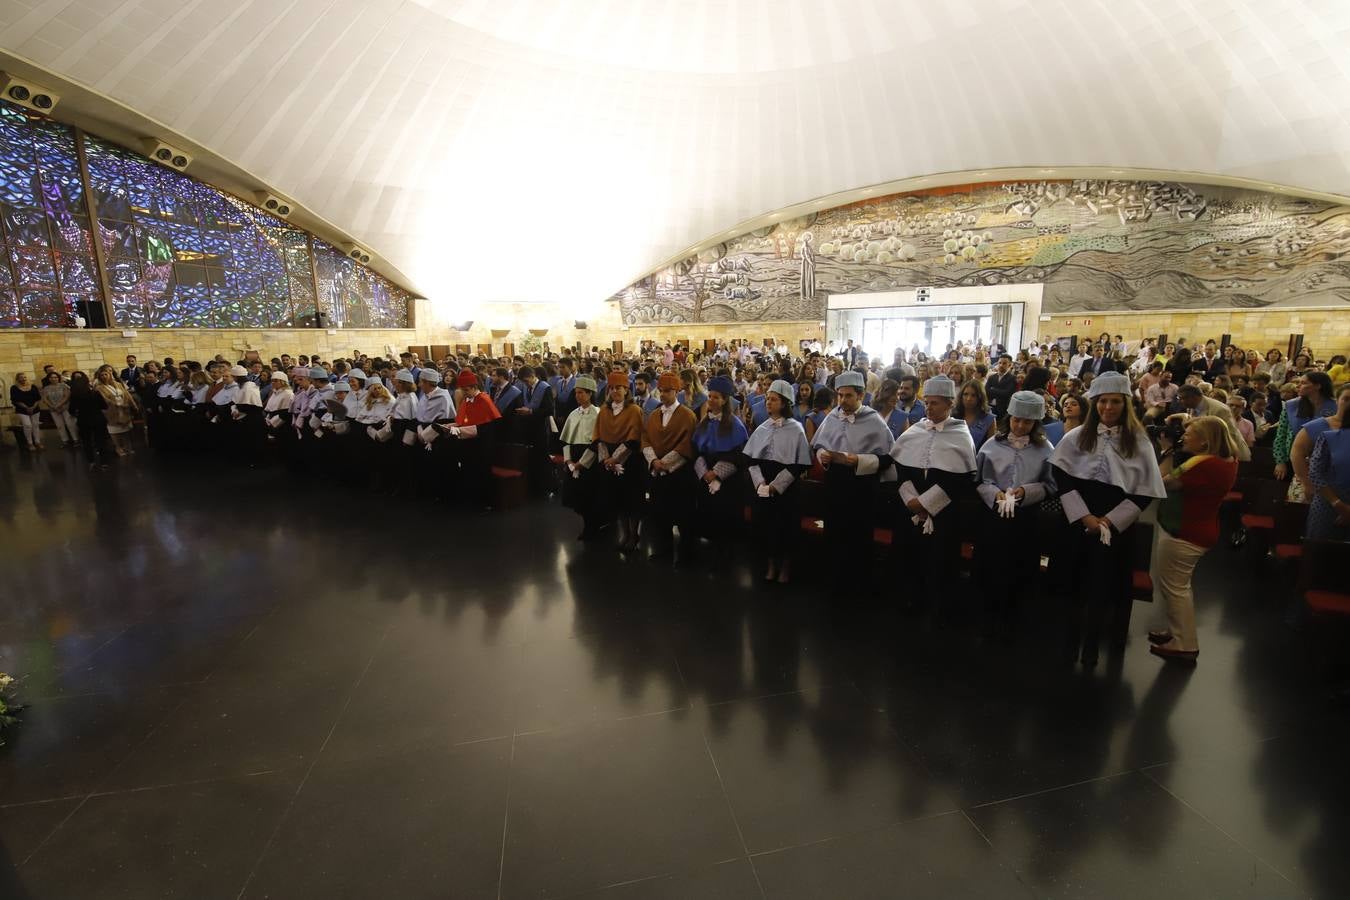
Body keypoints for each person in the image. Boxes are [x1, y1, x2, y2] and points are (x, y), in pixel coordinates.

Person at [1050, 371, 1166, 667]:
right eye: (1103, 401)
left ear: (1125, 404)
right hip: (1079, 519)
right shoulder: (1076, 437)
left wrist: (1109, 522)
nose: (1108, 408)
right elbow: (1062, 477)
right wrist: (1084, 516)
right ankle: (1067, 642)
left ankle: (1092, 646)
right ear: (1095, 403)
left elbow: (1144, 491)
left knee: (1102, 587)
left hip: (1114, 525)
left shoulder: (1139, 442)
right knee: (1073, 583)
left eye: (1115, 401)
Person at [1148, 416, 1240, 662]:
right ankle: (1177, 632)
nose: (1183, 437)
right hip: (1203, 527)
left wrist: (1167, 450)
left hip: (1184, 532)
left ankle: (1184, 644)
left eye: (1189, 434)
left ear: (1205, 442)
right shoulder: (1228, 460)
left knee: (1175, 589)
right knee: (1179, 586)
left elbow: (1160, 482)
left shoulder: (1201, 464)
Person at [889, 375, 977, 600]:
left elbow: (961, 479)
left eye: (935, 403)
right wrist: (912, 501)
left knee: (939, 562)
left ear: (949, 403)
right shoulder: (916, 429)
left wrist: (926, 503)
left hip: (944, 514)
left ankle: (938, 607)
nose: (928, 408)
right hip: (910, 510)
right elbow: (900, 467)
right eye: (926, 402)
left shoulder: (960, 434)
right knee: (909, 558)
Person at [975, 390, 1057, 624]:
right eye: (1016, 420)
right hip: (993, 516)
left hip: (1025, 518)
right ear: (1008, 418)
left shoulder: (1045, 449)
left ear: (1036, 423)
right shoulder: (992, 444)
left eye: (1027, 421)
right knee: (991, 565)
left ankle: (1013, 614)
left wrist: (1026, 492)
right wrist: (995, 493)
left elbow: (1050, 485)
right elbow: (979, 480)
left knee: (1018, 567)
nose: (1020, 425)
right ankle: (988, 612)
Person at [811, 369, 894, 564]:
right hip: (835, 485)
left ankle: (857, 585)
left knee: (858, 539)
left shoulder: (874, 420)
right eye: (840, 395)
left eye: (848, 395)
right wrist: (822, 455)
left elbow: (888, 458)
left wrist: (858, 461)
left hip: (861, 488)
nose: (842, 400)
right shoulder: (832, 416)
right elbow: (819, 445)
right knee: (833, 535)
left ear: (861, 395)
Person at [745, 379, 812, 583]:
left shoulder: (796, 429)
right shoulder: (762, 427)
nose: (768, 403)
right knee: (765, 528)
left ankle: (785, 567)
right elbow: (750, 459)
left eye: (773, 399)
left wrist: (777, 485)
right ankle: (770, 565)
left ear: (784, 403)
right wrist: (759, 482)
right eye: (767, 399)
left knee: (785, 528)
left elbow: (799, 464)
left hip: (786, 489)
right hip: (763, 485)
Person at [690, 375, 748, 565]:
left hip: (727, 481)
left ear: (724, 400)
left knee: (725, 516)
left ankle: (725, 552)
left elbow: (738, 455)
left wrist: (717, 473)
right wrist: (704, 472)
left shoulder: (735, 424)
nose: (711, 400)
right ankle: (712, 549)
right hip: (706, 476)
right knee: (708, 514)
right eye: (710, 397)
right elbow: (697, 449)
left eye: (716, 397)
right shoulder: (704, 422)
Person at [642, 372, 698, 563]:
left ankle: (686, 555)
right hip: (658, 474)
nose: (663, 394)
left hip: (679, 475)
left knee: (683, 517)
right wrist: (653, 461)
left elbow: (686, 444)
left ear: (676, 391)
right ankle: (663, 550)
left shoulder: (687, 415)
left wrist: (665, 463)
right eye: (661, 391)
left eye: (668, 391)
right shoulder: (655, 414)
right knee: (660, 515)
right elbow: (646, 439)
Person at [593, 371, 645, 552]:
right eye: (612, 388)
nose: (615, 391)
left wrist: (616, 458)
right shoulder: (604, 410)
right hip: (608, 460)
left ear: (626, 390)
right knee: (617, 500)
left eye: (619, 388)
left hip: (629, 462)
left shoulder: (634, 410)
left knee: (631, 500)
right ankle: (624, 533)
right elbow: (597, 437)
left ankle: (634, 534)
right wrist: (607, 458)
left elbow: (634, 438)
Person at [1274, 371, 1335, 498]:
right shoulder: (1291, 406)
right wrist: (1280, 461)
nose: (1298, 386)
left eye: (1303, 383)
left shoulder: (1335, 406)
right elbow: (1281, 435)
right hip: (1295, 459)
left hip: (1326, 462)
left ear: (1318, 386)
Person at [449, 368, 501, 509]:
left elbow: (484, 427)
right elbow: (462, 420)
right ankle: (472, 499)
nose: (464, 393)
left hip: (482, 444)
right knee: (469, 472)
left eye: (466, 390)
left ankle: (486, 503)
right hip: (468, 443)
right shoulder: (467, 400)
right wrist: (450, 426)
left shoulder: (484, 399)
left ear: (474, 387)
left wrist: (459, 430)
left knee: (482, 473)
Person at [560, 375, 601, 539]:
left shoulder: (598, 413)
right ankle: (587, 525)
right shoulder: (573, 414)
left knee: (590, 496)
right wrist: (569, 460)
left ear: (590, 394)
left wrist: (581, 464)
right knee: (578, 498)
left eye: (581, 393)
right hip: (574, 458)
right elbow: (565, 440)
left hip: (590, 460)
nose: (577, 396)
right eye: (576, 393)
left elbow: (597, 443)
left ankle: (594, 527)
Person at [1307, 384, 1350, 540]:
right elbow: (1315, 473)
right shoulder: (1328, 437)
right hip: (1327, 505)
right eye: (1347, 399)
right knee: (1321, 553)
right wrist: (1338, 504)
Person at [1175, 384, 1251, 462]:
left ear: (1193, 397)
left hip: (1232, 457)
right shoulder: (1192, 407)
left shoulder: (1219, 409)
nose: (1179, 401)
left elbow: (1228, 436)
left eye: (1181, 398)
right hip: (1210, 455)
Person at [68, 370, 112, 471]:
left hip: (83, 420)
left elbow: (71, 410)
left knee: (86, 442)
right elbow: (104, 406)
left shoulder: (75, 396)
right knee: (101, 441)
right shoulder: (95, 393)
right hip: (98, 419)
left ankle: (91, 462)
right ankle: (104, 462)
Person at [94, 364, 138, 457]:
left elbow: (126, 394)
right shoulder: (99, 388)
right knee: (115, 431)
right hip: (111, 411)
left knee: (126, 430)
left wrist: (132, 404)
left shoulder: (118, 384)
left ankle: (128, 446)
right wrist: (117, 405)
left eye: (106, 374)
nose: (105, 376)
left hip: (124, 409)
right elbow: (105, 399)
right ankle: (118, 447)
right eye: (102, 375)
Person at [955, 380, 997, 449]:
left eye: (973, 395)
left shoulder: (989, 419)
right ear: (961, 396)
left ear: (980, 397)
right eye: (965, 394)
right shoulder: (953, 414)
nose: (968, 399)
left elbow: (991, 448)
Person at [40, 371, 77, 447]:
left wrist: (59, 405)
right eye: (51, 377)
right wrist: (53, 407)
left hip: (65, 408)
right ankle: (65, 441)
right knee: (60, 426)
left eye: (55, 377)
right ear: (49, 379)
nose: (53, 379)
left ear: (58, 378)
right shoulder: (46, 388)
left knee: (70, 424)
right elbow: (45, 399)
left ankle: (76, 440)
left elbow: (67, 396)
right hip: (53, 409)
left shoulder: (64, 385)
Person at [10, 372, 43, 451]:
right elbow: (15, 400)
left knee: (35, 425)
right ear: (17, 379)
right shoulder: (14, 388)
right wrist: (27, 408)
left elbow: (38, 398)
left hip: (35, 409)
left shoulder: (33, 386)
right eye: (21, 377)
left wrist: (33, 407)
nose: (23, 379)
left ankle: (37, 442)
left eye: (24, 377)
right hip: (22, 410)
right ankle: (30, 443)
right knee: (27, 425)